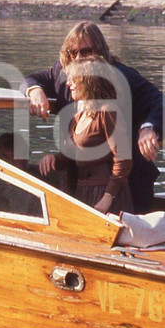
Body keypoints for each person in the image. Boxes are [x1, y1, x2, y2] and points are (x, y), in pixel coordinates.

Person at [21, 21, 165, 213]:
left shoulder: (123, 76)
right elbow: (30, 79)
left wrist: (149, 128)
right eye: (71, 53)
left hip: (130, 183)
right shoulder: (62, 74)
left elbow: (163, 102)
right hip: (82, 182)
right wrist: (34, 91)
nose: (77, 58)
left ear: (100, 52)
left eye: (85, 52)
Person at [38, 56, 133, 216]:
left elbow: (123, 159)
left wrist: (108, 197)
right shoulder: (77, 116)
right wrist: (54, 160)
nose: (68, 84)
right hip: (84, 191)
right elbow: (70, 156)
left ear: (88, 81)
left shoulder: (107, 111)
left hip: (106, 195)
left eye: (74, 79)